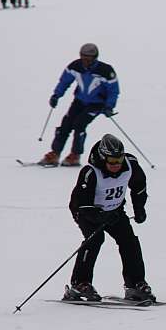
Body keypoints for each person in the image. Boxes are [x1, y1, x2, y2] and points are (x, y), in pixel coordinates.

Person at [65, 134, 154, 302]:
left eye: (119, 160)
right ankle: (80, 284)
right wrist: (99, 216)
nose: (116, 165)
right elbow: (81, 203)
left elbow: (139, 186)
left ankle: (135, 284)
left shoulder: (130, 165)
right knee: (95, 239)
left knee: (129, 241)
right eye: (112, 161)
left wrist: (139, 208)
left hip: (115, 211)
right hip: (87, 212)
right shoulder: (91, 173)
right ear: (103, 158)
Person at [40, 43, 119, 167]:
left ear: (95, 57)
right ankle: (55, 154)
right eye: (83, 57)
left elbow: (113, 90)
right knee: (65, 124)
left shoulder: (105, 71)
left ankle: (75, 155)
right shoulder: (75, 66)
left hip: (97, 104)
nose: (85, 60)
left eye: (89, 58)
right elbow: (64, 81)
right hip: (79, 101)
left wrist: (109, 106)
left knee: (79, 124)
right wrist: (56, 95)